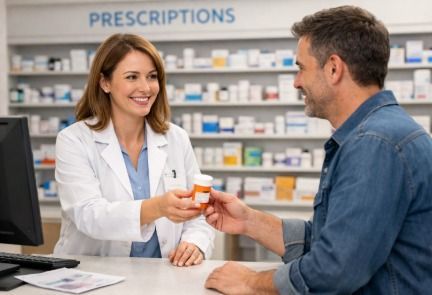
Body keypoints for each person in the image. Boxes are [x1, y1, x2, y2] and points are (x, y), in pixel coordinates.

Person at [204, 6, 432, 294]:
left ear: (334, 68)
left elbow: (335, 269)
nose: (297, 82)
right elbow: (335, 240)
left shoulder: (375, 144)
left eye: (301, 68)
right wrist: (249, 221)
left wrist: (251, 282)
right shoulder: (376, 133)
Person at [54, 33, 214, 267]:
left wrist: (195, 243)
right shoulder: (74, 140)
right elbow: (89, 215)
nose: (145, 88)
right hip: (91, 274)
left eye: (152, 77)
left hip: (165, 276)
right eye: (132, 77)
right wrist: (158, 207)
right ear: (104, 82)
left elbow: (199, 211)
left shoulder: (176, 138)